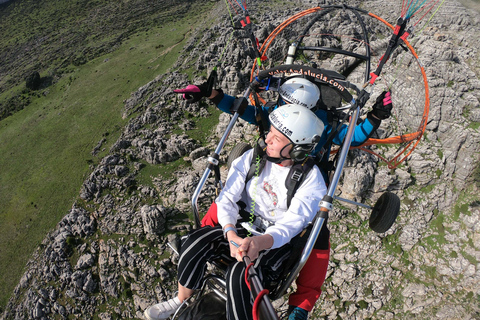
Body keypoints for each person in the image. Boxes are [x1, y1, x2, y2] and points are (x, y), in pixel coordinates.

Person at [173, 76, 393, 320]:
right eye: (282, 102)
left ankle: (302, 305)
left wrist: (374, 118)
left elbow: (353, 136)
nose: (282, 106)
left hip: (298, 184)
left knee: (316, 233)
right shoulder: (278, 119)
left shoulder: (320, 131)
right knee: (229, 201)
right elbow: (245, 110)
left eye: (287, 103)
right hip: (266, 178)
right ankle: (201, 248)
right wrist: (213, 94)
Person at [144, 104, 327, 320]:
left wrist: (258, 244)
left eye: (276, 139)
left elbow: (290, 227)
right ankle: (180, 300)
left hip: (273, 243)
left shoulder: (311, 181)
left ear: (297, 149)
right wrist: (230, 233)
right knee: (195, 242)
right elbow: (227, 198)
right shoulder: (253, 158)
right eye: (270, 132)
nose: (267, 139)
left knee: (240, 275)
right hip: (240, 228)